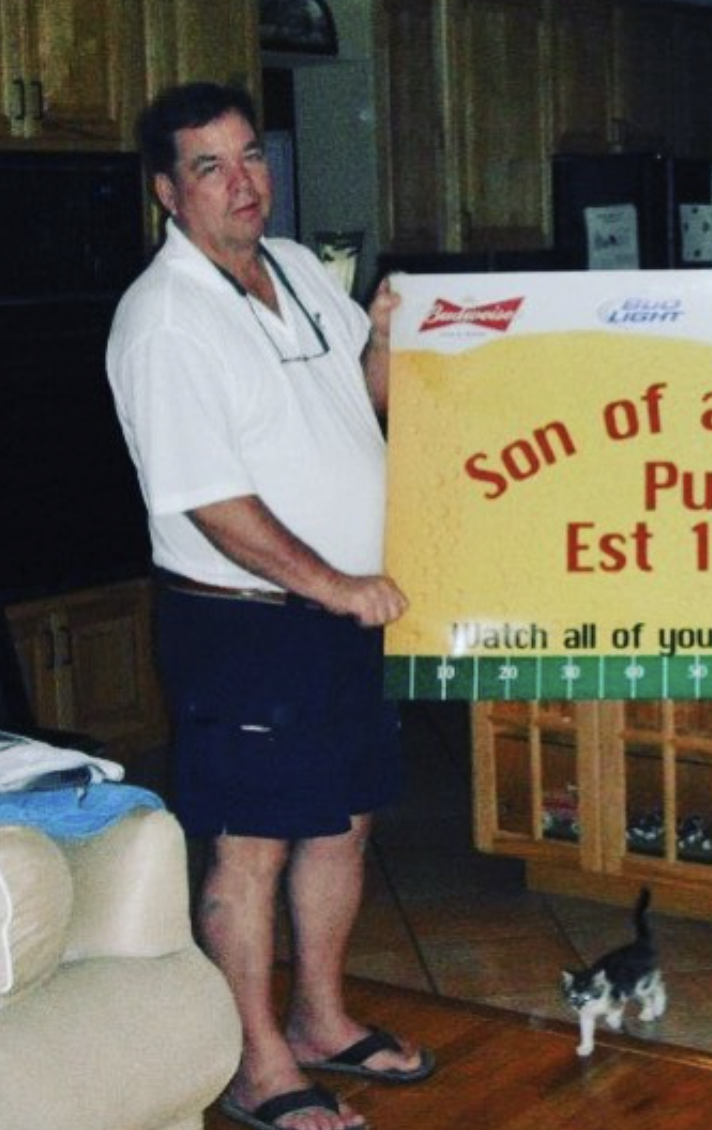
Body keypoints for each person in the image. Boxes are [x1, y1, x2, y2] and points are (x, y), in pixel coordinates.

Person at [107, 82, 431, 1130]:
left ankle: (322, 1018)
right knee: (251, 846)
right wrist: (336, 582)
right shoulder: (164, 320)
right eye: (211, 166)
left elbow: (361, 395)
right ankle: (256, 1064)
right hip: (245, 622)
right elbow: (207, 501)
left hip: (337, 619)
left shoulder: (292, 266)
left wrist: (384, 331)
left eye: (251, 156)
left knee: (339, 823)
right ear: (168, 191)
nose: (244, 182)